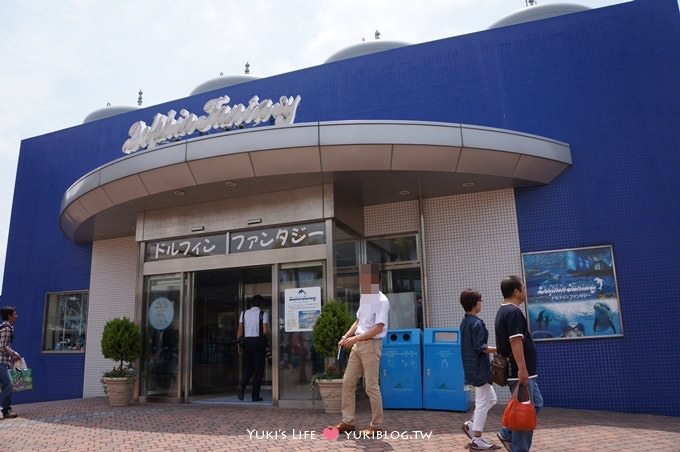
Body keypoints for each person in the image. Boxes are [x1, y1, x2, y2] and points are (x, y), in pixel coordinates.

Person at [327, 263, 390, 436]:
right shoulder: (366, 297)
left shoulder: (382, 301)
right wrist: (346, 337)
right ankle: (348, 422)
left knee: (371, 387)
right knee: (348, 382)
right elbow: (358, 321)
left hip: (371, 345)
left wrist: (356, 338)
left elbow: (378, 327)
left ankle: (376, 426)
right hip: (358, 345)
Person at [494, 276, 544, 452]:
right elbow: (515, 342)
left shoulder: (504, 311)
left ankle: (507, 433)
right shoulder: (513, 312)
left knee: (536, 404)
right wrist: (522, 369)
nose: (525, 290)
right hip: (520, 373)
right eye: (523, 287)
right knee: (524, 414)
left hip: (524, 372)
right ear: (516, 291)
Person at [459, 289, 500, 450]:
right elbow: (481, 347)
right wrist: (499, 348)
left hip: (471, 367)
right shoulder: (476, 323)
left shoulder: (465, 321)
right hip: (479, 368)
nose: (482, 302)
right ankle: (477, 439)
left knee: (492, 399)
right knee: (483, 403)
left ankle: (471, 424)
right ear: (475, 303)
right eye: (480, 300)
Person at [236, 295, 269, 402]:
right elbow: (265, 331)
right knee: (258, 370)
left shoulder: (244, 313)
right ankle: (255, 396)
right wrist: (269, 340)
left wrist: (239, 345)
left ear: (252, 303)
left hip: (247, 343)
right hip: (259, 343)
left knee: (248, 368)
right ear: (261, 304)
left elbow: (240, 329)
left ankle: (242, 384)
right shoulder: (263, 314)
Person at [0, 305, 21, 419]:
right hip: (1, 361)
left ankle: (7, 408)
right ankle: (6, 410)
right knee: (8, 384)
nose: (16, 316)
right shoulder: (7, 328)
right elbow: (3, 346)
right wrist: (14, 354)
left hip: (3, 361)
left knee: (5, 385)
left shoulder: (3, 327)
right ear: (9, 315)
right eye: (14, 314)